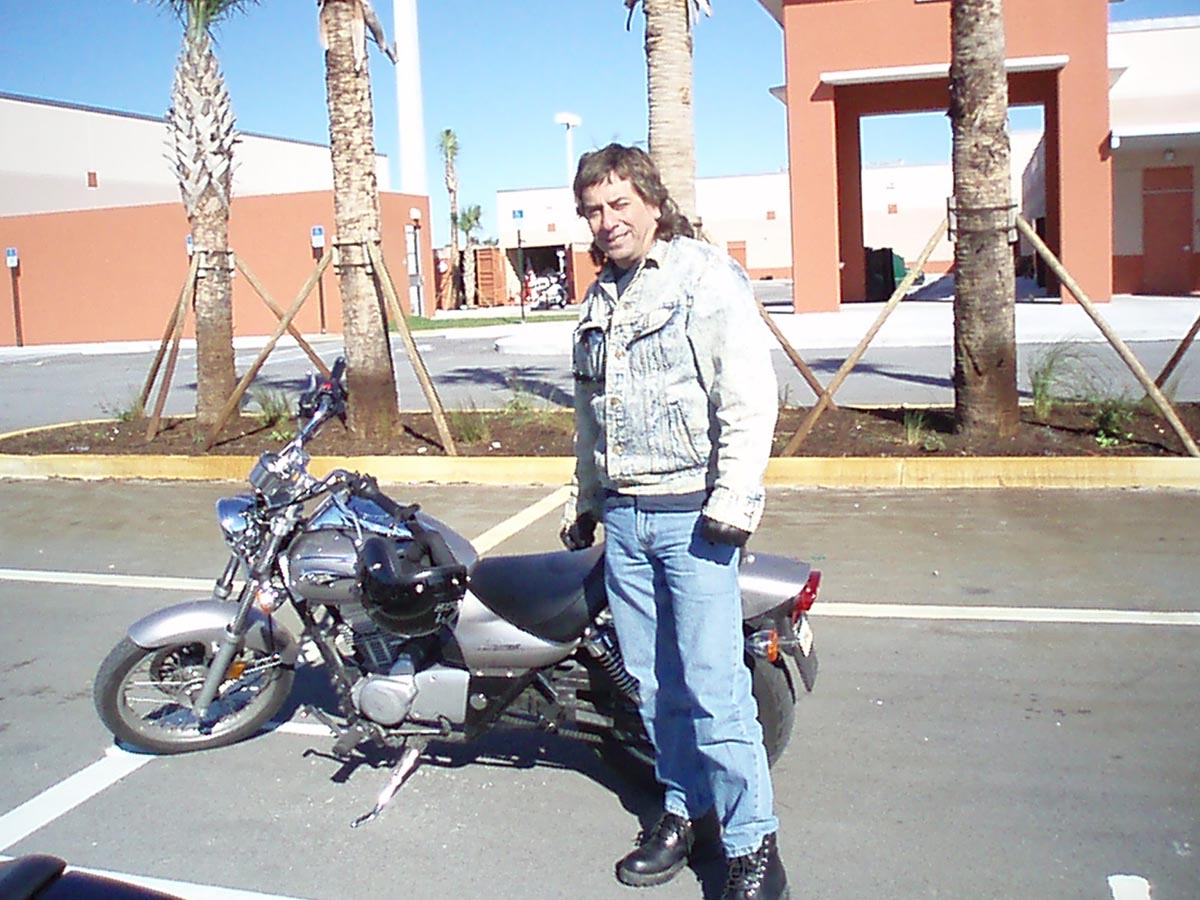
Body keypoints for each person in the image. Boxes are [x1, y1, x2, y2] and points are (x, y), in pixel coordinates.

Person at [560, 144, 788, 900]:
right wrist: (586, 500)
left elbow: (747, 395)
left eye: (619, 204)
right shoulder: (601, 297)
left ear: (653, 204)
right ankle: (687, 812)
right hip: (626, 521)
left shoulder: (703, 277)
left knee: (715, 690)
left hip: (692, 520)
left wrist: (734, 501)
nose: (607, 221)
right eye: (594, 210)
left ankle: (754, 850)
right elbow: (591, 414)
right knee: (654, 690)